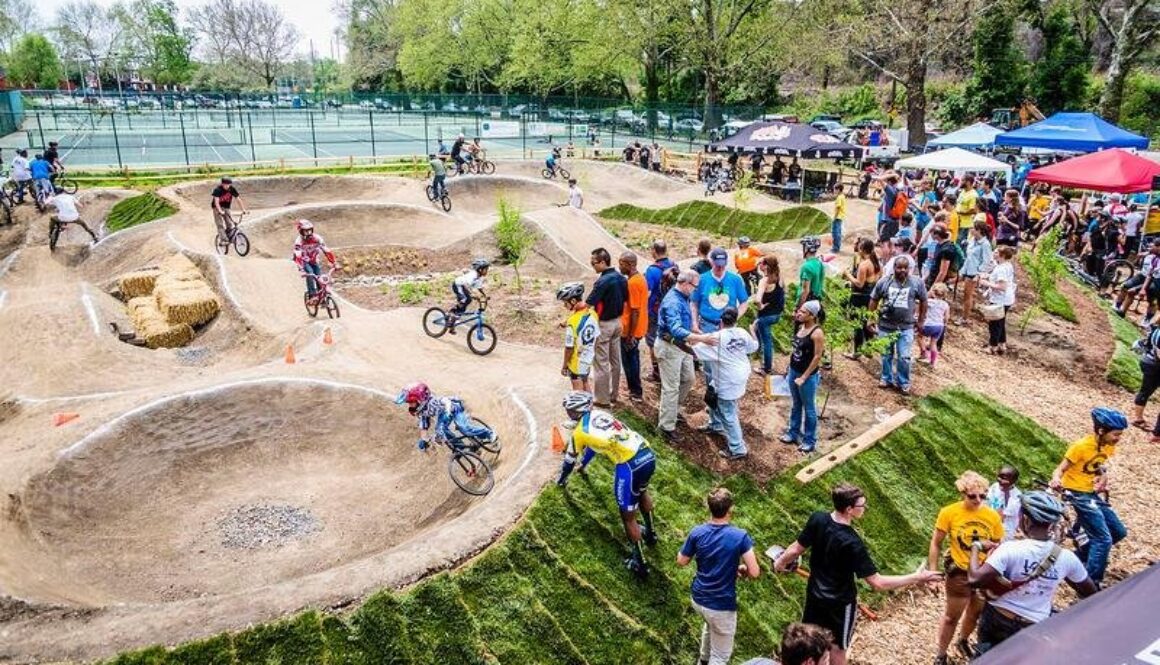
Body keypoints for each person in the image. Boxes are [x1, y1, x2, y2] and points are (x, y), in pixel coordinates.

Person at [774, 483, 943, 665]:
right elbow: (878, 583)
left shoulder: (818, 519)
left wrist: (780, 563)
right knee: (838, 648)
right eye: (862, 505)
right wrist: (917, 577)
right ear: (849, 509)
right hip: (840, 604)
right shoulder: (852, 542)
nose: (865, 509)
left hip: (815, 597)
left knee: (808, 645)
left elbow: (794, 550)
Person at [968, 491, 1097, 655]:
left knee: (986, 658)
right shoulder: (1066, 558)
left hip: (998, 618)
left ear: (1025, 519)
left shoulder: (1010, 549)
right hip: (1033, 626)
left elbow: (974, 579)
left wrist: (976, 547)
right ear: (1051, 524)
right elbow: (1091, 592)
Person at [557, 390, 657, 577]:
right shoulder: (600, 415)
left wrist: (561, 480)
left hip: (629, 465)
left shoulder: (580, 432)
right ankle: (651, 534)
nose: (567, 413)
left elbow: (568, 461)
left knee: (628, 517)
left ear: (574, 413)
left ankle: (640, 563)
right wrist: (584, 465)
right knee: (642, 492)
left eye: (568, 410)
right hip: (646, 452)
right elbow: (594, 447)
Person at [928, 471, 1005, 664]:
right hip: (959, 573)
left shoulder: (992, 516)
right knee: (951, 617)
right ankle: (941, 654)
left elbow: (998, 544)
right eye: (972, 496)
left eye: (982, 496)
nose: (978, 500)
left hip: (982, 572)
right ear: (963, 494)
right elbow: (936, 543)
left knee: (975, 612)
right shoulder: (949, 512)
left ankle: (962, 640)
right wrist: (932, 572)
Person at [677, 487, 760, 665]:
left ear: (709, 508)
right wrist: (741, 567)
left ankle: (703, 660)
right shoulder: (740, 536)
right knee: (720, 657)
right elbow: (754, 572)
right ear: (730, 509)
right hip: (720, 606)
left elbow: (681, 561)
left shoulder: (697, 532)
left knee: (710, 625)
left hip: (698, 599)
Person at [1049, 407, 1129, 587]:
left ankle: (1081, 556)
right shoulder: (1081, 446)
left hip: (1090, 492)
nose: (1118, 438)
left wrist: (1103, 474)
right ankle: (1089, 581)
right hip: (1076, 493)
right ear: (1101, 431)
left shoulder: (1107, 445)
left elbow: (1097, 464)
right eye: (1116, 434)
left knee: (1118, 531)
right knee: (1103, 539)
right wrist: (1056, 480)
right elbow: (1060, 469)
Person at [656, 270, 718, 441]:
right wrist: (702, 338)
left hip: (682, 347)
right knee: (671, 387)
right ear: (685, 283)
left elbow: (685, 323)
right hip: (669, 347)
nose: (695, 290)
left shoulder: (683, 297)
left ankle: (671, 410)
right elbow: (675, 329)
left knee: (689, 379)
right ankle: (666, 427)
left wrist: (695, 331)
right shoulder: (673, 302)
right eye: (694, 287)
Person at [694, 307, 758, 459]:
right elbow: (754, 346)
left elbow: (694, 353)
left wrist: (676, 341)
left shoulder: (716, 337)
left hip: (728, 379)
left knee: (728, 412)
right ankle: (715, 425)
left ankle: (738, 448)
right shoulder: (742, 332)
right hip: (740, 374)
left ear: (720, 322)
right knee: (712, 395)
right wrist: (753, 330)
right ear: (735, 321)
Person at [869, 255, 927, 395]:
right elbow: (874, 299)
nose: (902, 270)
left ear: (909, 269)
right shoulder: (884, 282)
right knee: (886, 354)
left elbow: (924, 301)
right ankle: (886, 378)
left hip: (906, 327)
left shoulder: (917, 283)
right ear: (894, 268)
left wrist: (920, 320)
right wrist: (870, 319)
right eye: (899, 267)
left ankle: (903, 382)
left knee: (904, 357)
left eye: (905, 268)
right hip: (886, 326)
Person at [395, 382, 497, 451]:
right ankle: (462, 448)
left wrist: (448, 411)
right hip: (442, 415)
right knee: (440, 430)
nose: (410, 405)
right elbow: (424, 426)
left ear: (420, 399)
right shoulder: (422, 411)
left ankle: (489, 433)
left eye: (411, 402)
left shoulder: (432, 402)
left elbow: (445, 401)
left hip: (454, 408)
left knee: (464, 428)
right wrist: (424, 440)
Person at [587, 247, 629, 407]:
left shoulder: (602, 281)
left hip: (604, 324)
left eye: (594, 263)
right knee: (615, 360)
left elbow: (590, 302)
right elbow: (625, 298)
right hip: (618, 322)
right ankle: (613, 394)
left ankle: (602, 399)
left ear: (603, 262)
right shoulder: (621, 278)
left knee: (601, 362)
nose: (593, 266)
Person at [781, 301, 826, 452]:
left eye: (803, 312)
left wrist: (804, 377)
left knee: (809, 408)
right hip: (794, 371)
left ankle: (809, 440)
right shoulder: (801, 327)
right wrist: (789, 367)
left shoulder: (817, 333)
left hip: (807, 376)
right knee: (796, 404)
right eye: (799, 310)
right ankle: (793, 432)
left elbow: (817, 357)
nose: (798, 314)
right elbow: (796, 351)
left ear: (812, 316)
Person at [557, 281, 599, 392]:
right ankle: (589, 409)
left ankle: (584, 410)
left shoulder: (572, 321)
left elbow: (569, 348)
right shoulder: (592, 313)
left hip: (576, 362)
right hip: (588, 357)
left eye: (565, 303)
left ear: (573, 301)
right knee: (585, 384)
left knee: (578, 393)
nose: (564, 305)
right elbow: (597, 337)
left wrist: (564, 365)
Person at [842, 238, 880, 359]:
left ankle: (857, 352)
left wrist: (848, 275)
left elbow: (859, 284)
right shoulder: (876, 262)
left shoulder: (864, 265)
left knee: (857, 324)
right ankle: (869, 349)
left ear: (862, 249)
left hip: (859, 297)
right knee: (867, 323)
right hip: (871, 297)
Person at [645, 240, 676, 382]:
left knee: (652, 340)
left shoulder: (652, 270)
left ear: (654, 251)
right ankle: (670, 368)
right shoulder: (674, 265)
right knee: (669, 338)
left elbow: (648, 293)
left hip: (655, 310)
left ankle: (656, 371)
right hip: (671, 309)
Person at [619, 252, 648, 402]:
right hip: (637, 328)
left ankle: (635, 391)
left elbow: (635, 311)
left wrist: (630, 335)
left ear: (630, 264)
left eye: (622, 263)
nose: (619, 266)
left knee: (630, 360)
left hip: (631, 330)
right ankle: (635, 389)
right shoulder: (638, 278)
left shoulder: (633, 283)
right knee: (632, 358)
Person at [750, 256, 785, 375]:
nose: (758, 266)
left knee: (766, 342)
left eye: (760, 263)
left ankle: (766, 368)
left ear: (765, 266)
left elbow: (757, 300)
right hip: (776, 314)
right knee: (762, 337)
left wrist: (760, 306)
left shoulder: (764, 281)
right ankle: (761, 359)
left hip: (765, 316)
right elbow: (784, 292)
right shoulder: (779, 277)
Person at [979, 245, 1016, 355]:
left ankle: (992, 346)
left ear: (1002, 256)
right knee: (1001, 321)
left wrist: (986, 283)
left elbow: (1002, 286)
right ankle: (1001, 344)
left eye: (995, 252)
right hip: (1007, 299)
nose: (993, 253)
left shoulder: (1001, 269)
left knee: (995, 323)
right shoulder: (1006, 265)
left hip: (1000, 299)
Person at [956, 220, 993, 326]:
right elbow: (968, 257)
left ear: (979, 231)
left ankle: (965, 318)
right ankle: (965, 314)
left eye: (973, 228)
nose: (971, 230)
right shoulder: (972, 240)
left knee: (968, 295)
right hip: (967, 270)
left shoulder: (985, 244)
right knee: (965, 294)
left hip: (974, 273)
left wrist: (979, 274)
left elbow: (986, 261)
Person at [293, 220, 339, 301]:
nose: (308, 233)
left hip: (314, 260)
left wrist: (334, 262)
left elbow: (326, 251)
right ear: (301, 231)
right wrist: (301, 269)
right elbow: (298, 256)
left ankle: (321, 295)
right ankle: (312, 295)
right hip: (304, 261)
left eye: (310, 230)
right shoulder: (299, 241)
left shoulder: (317, 238)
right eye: (306, 231)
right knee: (310, 273)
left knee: (319, 276)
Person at [1115, 238, 1160, 317]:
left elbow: (1151, 276)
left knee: (1152, 300)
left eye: (1154, 245)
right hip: (1143, 276)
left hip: (1155, 281)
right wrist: (1139, 257)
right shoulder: (1151, 256)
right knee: (1126, 287)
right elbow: (1136, 265)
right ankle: (1119, 308)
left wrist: (1143, 289)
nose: (1151, 246)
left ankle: (1148, 320)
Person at [448, 258, 490, 332]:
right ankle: (451, 312)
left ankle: (452, 323)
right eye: (486, 269)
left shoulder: (479, 277)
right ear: (480, 269)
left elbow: (479, 289)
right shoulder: (473, 274)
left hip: (464, 287)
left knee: (465, 304)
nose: (487, 271)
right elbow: (466, 285)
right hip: (458, 285)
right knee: (465, 299)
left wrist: (484, 296)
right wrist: (472, 294)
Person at [986, 465, 1023, 542]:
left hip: (1005, 531)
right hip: (990, 522)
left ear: (1014, 481)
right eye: (999, 476)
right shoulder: (995, 486)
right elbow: (987, 502)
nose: (1000, 480)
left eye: (1004, 478)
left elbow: (1001, 517)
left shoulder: (1016, 497)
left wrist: (1006, 493)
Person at [918, 282, 949, 366]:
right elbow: (946, 317)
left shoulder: (929, 302)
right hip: (939, 326)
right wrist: (945, 324)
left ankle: (923, 352)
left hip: (928, 324)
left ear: (933, 292)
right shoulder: (945, 304)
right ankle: (933, 361)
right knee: (933, 343)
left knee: (920, 337)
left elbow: (921, 309)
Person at [797, 236, 825, 310]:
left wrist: (798, 308)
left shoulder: (806, 267)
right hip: (816, 302)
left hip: (807, 304)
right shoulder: (820, 263)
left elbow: (805, 291)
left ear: (806, 249)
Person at [954, 176, 978, 244]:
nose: (960, 182)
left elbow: (973, 210)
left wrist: (959, 212)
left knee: (961, 244)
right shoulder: (963, 191)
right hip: (958, 222)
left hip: (966, 225)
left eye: (962, 180)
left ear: (968, 182)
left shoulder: (973, 195)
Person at [831, 183, 847, 253]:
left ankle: (835, 248)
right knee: (838, 233)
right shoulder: (842, 196)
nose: (834, 191)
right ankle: (837, 247)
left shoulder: (839, 198)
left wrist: (834, 217)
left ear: (838, 190)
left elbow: (838, 208)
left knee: (835, 233)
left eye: (835, 189)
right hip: (840, 217)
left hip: (838, 217)